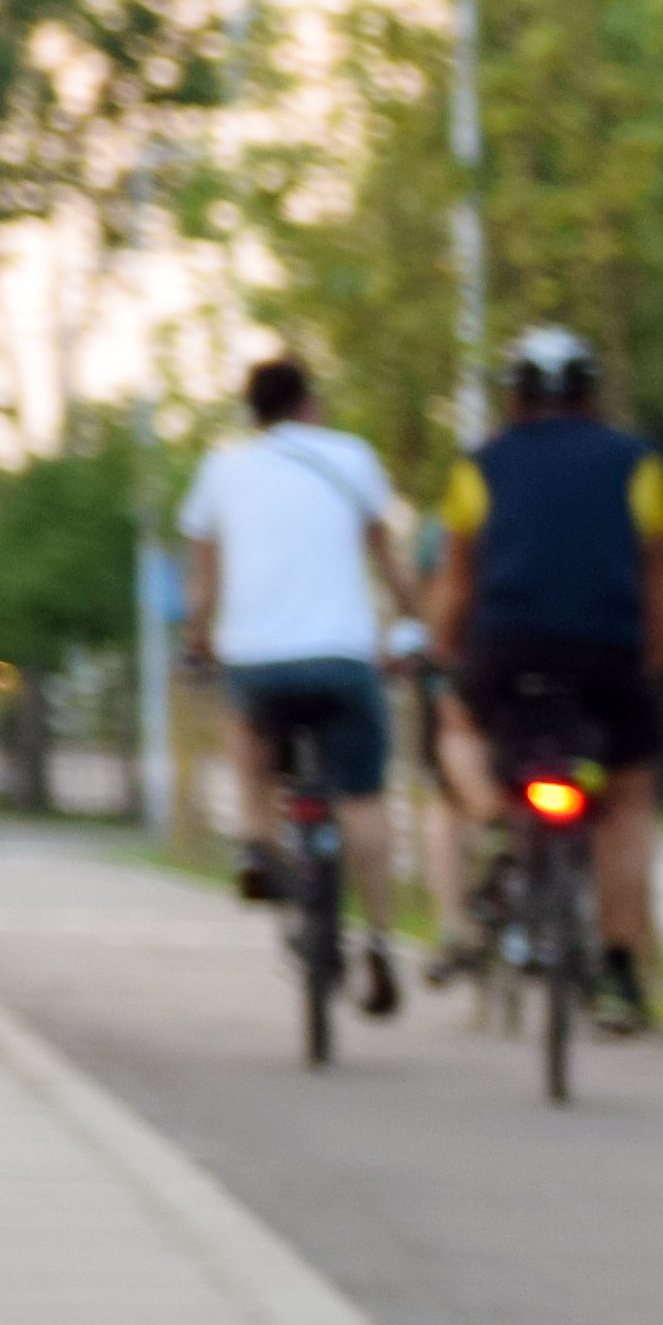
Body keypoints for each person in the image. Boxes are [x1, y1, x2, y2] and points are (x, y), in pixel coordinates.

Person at [436, 324, 663, 1033]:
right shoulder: (641, 465)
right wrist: (655, 664)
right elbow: (658, 585)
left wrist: (445, 654)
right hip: (608, 651)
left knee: (456, 723)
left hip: (508, 649)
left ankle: (493, 820)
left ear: (515, 396)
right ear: (590, 394)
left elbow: (457, 585)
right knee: (627, 796)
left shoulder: (477, 467)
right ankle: (620, 974)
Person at [176, 357, 414, 915]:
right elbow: (392, 564)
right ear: (310, 404)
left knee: (247, 728)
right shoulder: (353, 456)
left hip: (258, 663)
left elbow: (202, 584)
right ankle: (378, 932)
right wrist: (414, 626)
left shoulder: (222, 468)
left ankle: (257, 841)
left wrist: (197, 643)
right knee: (363, 797)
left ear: (252, 413)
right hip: (344, 657)